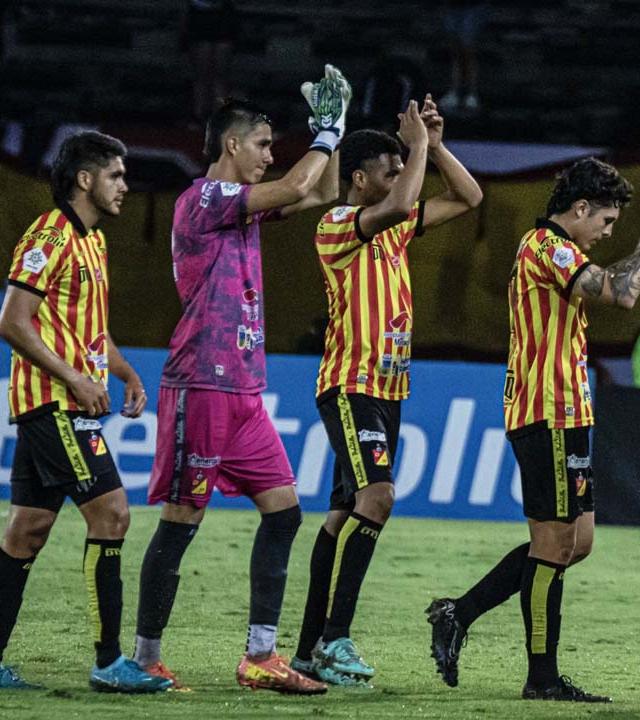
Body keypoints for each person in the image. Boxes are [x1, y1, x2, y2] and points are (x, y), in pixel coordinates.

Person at [427, 158, 640, 702]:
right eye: (607, 221)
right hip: (544, 410)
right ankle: (541, 679)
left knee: (578, 541)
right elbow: (621, 293)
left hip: (568, 413)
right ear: (580, 208)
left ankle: (459, 612)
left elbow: (619, 281)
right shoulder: (545, 246)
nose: (607, 232)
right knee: (553, 543)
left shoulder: (563, 251)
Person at [130, 66, 351, 694]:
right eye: (262, 144)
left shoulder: (243, 212)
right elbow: (294, 184)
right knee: (181, 520)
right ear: (232, 144)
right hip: (200, 383)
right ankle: (144, 659)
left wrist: (328, 135)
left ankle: (260, 657)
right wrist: (326, 135)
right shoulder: (202, 198)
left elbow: (317, 193)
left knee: (283, 515)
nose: (269, 156)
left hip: (245, 392)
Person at [291, 95, 482, 686]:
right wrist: (417, 143)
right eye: (390, 167)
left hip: (387, 388)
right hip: (351, 385)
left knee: (343, 512)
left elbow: (470, 198)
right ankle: (336, 639)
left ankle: (306, 649)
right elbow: (403, 202)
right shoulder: (337, 225)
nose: (402, 177)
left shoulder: (393, 231)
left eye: (403, 167)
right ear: (359, 179)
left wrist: (437, 143)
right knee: (379, 498)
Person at [0, 132, 170, 693]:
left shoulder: (92, 242)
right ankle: (109, 661)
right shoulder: (49, 235)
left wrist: (123, 372)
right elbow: (12, 320)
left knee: (26, 532)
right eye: (117, 175)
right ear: (84, 179)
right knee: (112, 514)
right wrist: (72, 377)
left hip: (63, 403)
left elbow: (87, 334)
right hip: (54, 405)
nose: (126, 185)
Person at [439, 1, 488, 113]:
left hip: (472, 8)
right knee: (455, 52)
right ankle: (454, 91)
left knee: (468, 51)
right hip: (452, 8)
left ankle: (471, 93)